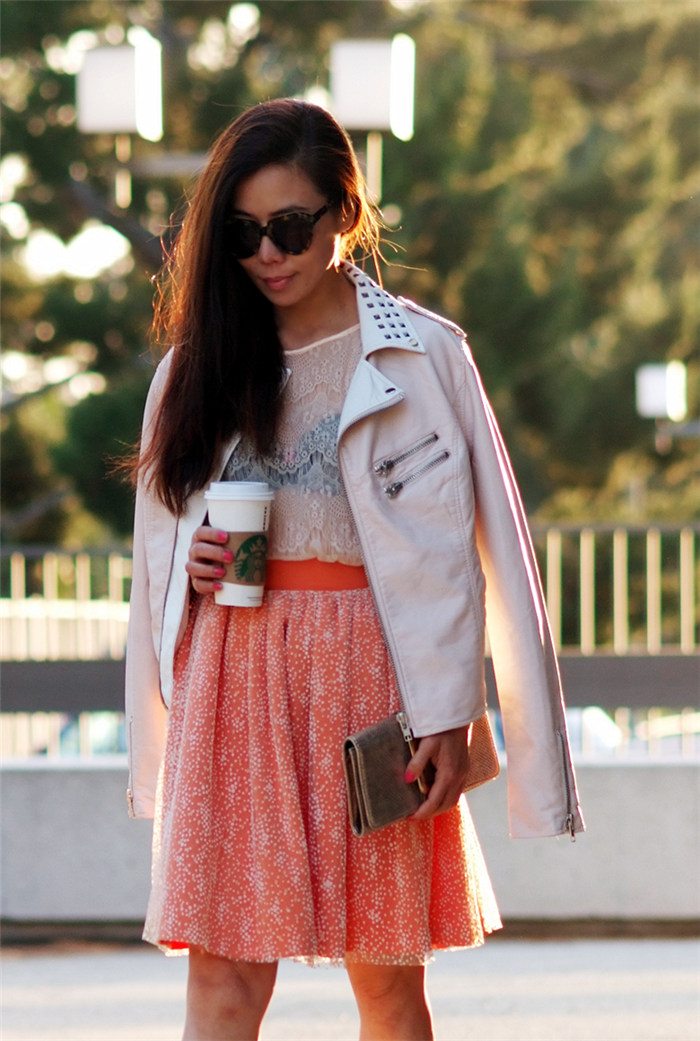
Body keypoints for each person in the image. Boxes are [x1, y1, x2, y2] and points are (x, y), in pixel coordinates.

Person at [125, 98, 583, 1041]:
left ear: (345, 210)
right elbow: (156, 570)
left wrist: (453, 709)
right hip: (234, 686)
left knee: (387, 984)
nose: (267, 254)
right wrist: (199, 566)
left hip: (376, 687)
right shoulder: (193, 371)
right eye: (244, 233)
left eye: (290, 226)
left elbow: (483, 554)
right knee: (222, 979)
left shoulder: (425, 357)